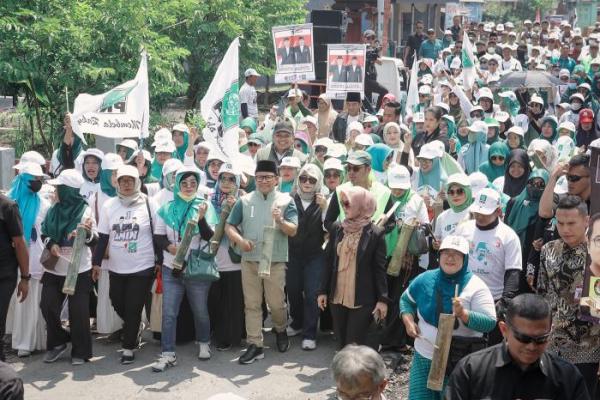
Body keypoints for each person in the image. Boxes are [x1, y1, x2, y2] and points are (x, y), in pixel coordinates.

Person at [401, 235, 496, 399]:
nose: (450, 258)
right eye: (446, 253)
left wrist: (464, 314)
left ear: (465, 258)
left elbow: (490, 323)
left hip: (456, 362)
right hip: (423, 355)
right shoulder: (425, 278)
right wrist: (409, 322)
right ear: (439, 255)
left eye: (456, 254)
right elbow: (406, 300)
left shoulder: (476, 286)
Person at [446, 293, 591, 400]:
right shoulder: (471, 371)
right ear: (504, 330)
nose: (532, 346)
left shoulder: (567, 378)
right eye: (524, 338)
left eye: (541, 339)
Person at [225, 160, 298, 364]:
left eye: (268, 177)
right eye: (259, 177)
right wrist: (240, 241)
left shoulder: (285, 201)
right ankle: (255, 344)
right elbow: (230, 226)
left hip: (274, 260)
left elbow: (293, 230)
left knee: (276, 303)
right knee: (252, 304)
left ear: (276, 179)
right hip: (250, 260)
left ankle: (281, 329)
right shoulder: (245, 200)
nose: (263, 181)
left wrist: (281, 220)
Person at [151, 166, 217, 372]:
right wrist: (170, 247)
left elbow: (208, 236)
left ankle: (204, 342)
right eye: (184, 183)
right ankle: (167, 353)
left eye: (193, 183)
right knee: (169, 313)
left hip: (195, 269)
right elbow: (158, 236)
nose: (189, 187)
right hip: (172, 268)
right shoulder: (167, 207)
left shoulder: (204, 206)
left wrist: (202, 218)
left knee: (200, 310)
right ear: (177, 184)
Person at [92, 165, 158, 365]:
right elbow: (103, 236)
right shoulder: (109, 206)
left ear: (137, 182)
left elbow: (158, 234)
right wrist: (96, 263)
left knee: (133, 305)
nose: (127, 184)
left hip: (143, 265)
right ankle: (135, 325)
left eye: (130, 180)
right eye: (123, 181)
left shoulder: (149, 203)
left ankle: (129, 346)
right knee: (116, 300)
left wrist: (160, 261)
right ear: (117, 183)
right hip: (116, 266)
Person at [536, 196, 600, 397]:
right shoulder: (548, 250)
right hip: (553, 348)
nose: (565, 229)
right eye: (560, 223)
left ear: (586, 221)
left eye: (571, 223)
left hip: (589, 350)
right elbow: (543, 294)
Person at [318, 186, 388, 349]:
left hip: (362, 299)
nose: (344, 208)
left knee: (354, 344)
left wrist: (382, 300)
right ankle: (344, 373)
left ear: (362, 205)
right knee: (341, 342)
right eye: (343, 204)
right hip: (337, 297)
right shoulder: (337, 228)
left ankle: (354, 374)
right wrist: (322, 291)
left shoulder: (376, 233)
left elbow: (379, 269)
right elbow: (328, 262)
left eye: (348, 204)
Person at [40, 169, 97, 365]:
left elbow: (94, 239)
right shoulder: (52, 210)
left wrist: (86, 233)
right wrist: (51, 244)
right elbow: (44, 232)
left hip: (78, 269)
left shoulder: (85, 211)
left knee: (78, 312)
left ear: (69, 190)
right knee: (47, 305)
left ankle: (80, 351)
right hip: (54, 268)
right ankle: (58, 342)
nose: (55, 191)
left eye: (59, 188)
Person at [454, 188, 522, 345]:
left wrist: (504, 302)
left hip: (493, 299)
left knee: (490, 347)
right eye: (477, 212)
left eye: (485, 213)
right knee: (462, 344)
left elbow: (513, 272)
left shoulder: (508, 236)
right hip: (464, 296)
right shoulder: (463, 229)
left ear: (498, 211)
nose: (479, 216)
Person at [9, 163, 48, 358]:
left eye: (40, 180)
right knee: (17, 300)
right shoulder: (9, 201)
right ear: (24, 180)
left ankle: (35, 341)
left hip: (34, 258)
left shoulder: (43, 203)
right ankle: (19, 341)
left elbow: (45, 230)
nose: (38, 183)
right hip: (9, 258)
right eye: (34, 180)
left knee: (33, 299)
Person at [286, 164, 327, 350]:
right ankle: (297, 322)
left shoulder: (323, 201)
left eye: (312, 179)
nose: (307, 183)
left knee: (312, 293)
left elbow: (328, 227)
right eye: (303, 178)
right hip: (293, 253)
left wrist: (324, 207)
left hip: (315, 254)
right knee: (293, 289)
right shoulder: (290, 199)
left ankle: (310, 333)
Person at [207, 163, 245, 351]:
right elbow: (208, 230)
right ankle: (220, 336)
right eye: (223, 178)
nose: (227, 182)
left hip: (236, 260)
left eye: (232, 178)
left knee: (235, 301)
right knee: (217, 301)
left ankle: (236, 337)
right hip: (213, 260)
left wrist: (233, 208)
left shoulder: (244, 201)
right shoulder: (209, 199)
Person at [324, 151, 393, 233]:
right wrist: (344, 228)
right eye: (348, 168)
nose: (351, 172)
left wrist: (377, 231)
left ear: (368, 169)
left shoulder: (384, 192)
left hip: (372, 244)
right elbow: (328, 222)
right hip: (345, 242)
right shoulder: (340, 191)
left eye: (356, 168)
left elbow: (391, 222)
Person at [539, 153, 591, 219]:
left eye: (574, 178)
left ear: (591, 178)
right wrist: (554, 176)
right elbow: (544, 213)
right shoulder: (565, 198)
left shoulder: (596, 204)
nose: (569, 182)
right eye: (567, 177)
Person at [433, 173, 473, 243]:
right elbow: (437, 239)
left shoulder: (475, 214)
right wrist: (436, 244)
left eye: (460, 191)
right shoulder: (442, 217)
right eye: (451, 192)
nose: (455, 195)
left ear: (468, 192)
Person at [363, 30, 388, 109]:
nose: (370, 40)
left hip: (371, 78)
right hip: (365, 79)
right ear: (364, 39)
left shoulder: (372, 50)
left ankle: (372, 112)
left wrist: (375, 54)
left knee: (367, 103)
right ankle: (377, 110)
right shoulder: (362, 49)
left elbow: (380, 62)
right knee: (384, 91)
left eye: (372, 38)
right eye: (368, 38)